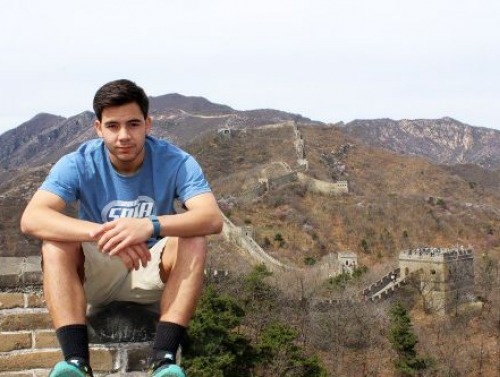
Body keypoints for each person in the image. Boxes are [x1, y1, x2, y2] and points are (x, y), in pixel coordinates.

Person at [20, 79, 223, 377]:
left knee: (194, 239)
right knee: (55, 242)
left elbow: (211, 218)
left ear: (148, 125)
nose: (124, 136)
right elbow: (32, 218)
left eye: (133, 124)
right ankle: (76, 364)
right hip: (98, 271)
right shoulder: (78, 162)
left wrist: (147, 226)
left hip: (151, 269)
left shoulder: (177, 161)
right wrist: (105, 233)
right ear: (98, 128)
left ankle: (164, 361)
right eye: (113, 126)